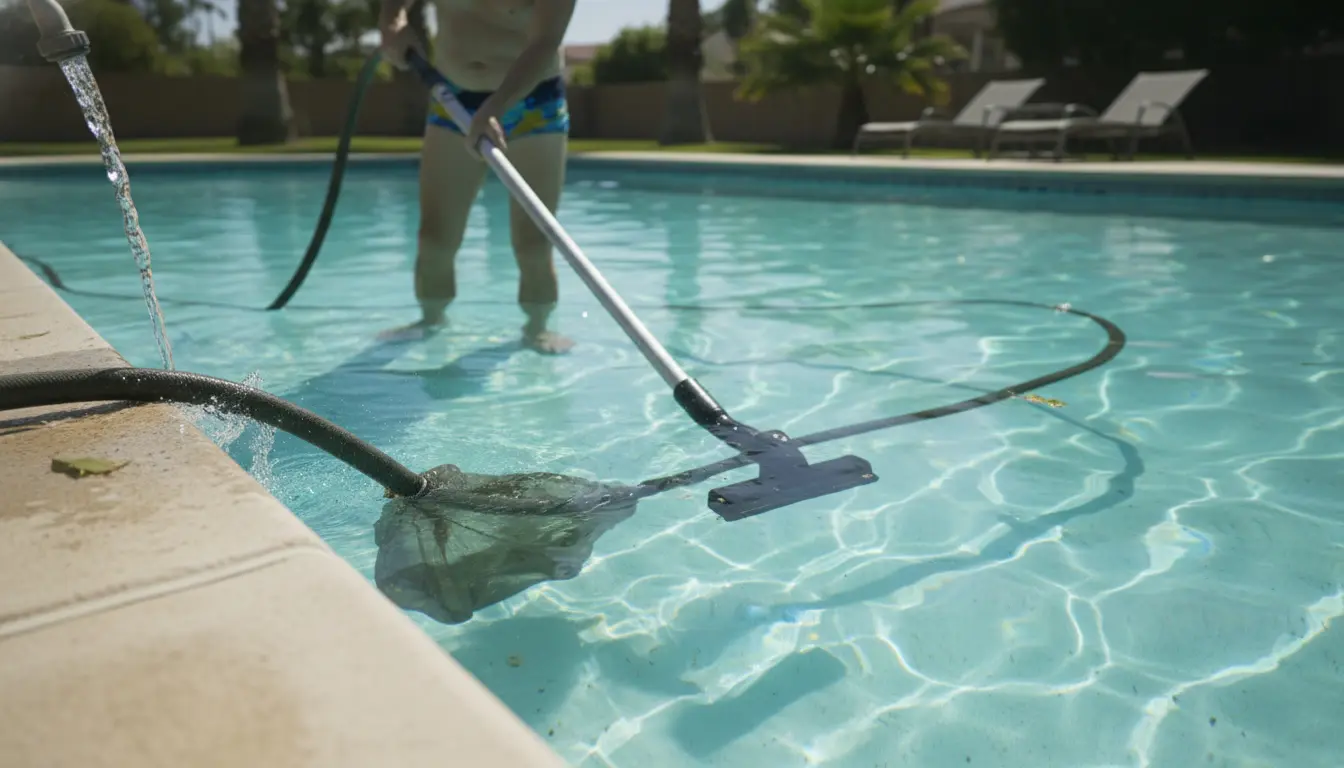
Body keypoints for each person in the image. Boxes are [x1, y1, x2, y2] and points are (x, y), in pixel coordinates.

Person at [378, 0, 578, 354]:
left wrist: (495, 107)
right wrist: (392, 19)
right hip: (453, 98)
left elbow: (546, 40)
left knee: (533, 245)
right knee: (435, 239)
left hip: (534, 103)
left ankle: (537, 329)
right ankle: (431, 321)